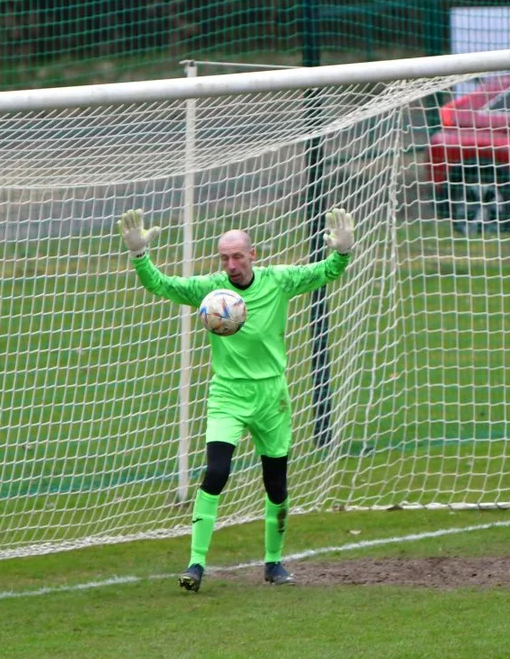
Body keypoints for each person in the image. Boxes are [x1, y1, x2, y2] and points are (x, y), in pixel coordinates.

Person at [117, 207, 355, 589]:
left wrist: (342, 252)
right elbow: (161, 285)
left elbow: (325, 272)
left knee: (276, 484)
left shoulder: (279, 280)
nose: (230, 265)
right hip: (227, 394)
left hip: (271, 396)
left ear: (252, 254)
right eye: (224, 258)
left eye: (237, 256)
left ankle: (274, 564)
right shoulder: (210, 289)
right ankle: (195, 565)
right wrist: (140, 256)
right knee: (216, 473)